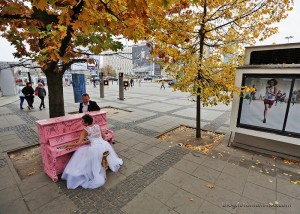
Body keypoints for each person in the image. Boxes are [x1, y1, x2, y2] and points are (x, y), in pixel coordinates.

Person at [61, 114, 123, 189]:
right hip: (105, 146)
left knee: (81, 155)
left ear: (86, 123)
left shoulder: (85, 130)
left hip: (95, 149)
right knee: (85, 152)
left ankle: (86, 171)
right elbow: (103, 137)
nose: (81, 122)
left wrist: (68, 145)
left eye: (82, 121)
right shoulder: (97, 126)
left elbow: (78, 143)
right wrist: (90, 140)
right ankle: (101, 165)